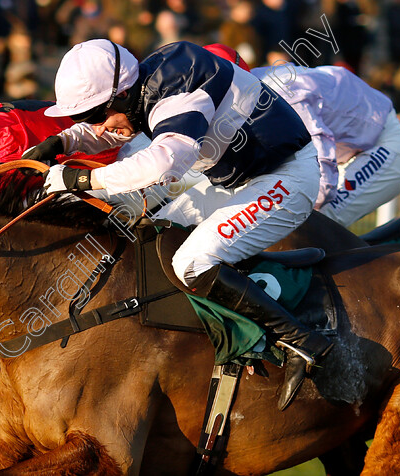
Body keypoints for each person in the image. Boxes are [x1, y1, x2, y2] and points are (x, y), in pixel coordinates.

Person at [24, 39, 330, 410]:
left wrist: (81, 180)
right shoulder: (142, 87)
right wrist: (61, 139)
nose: (96, 128)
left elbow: (164, 162)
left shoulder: (178, 91)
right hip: (242, 181)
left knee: (190, 263)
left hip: (286, 179)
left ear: (120, 97)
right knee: (152, 238)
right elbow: (115, 131)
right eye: (82, 119)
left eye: (93, 117)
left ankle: (304, 340)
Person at [204, 43, 400, 228]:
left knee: (309, 221)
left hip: (383, 146)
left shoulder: (282, 92)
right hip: (346, 148)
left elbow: (320, 146)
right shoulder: (250, 90)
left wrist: (313, 200)